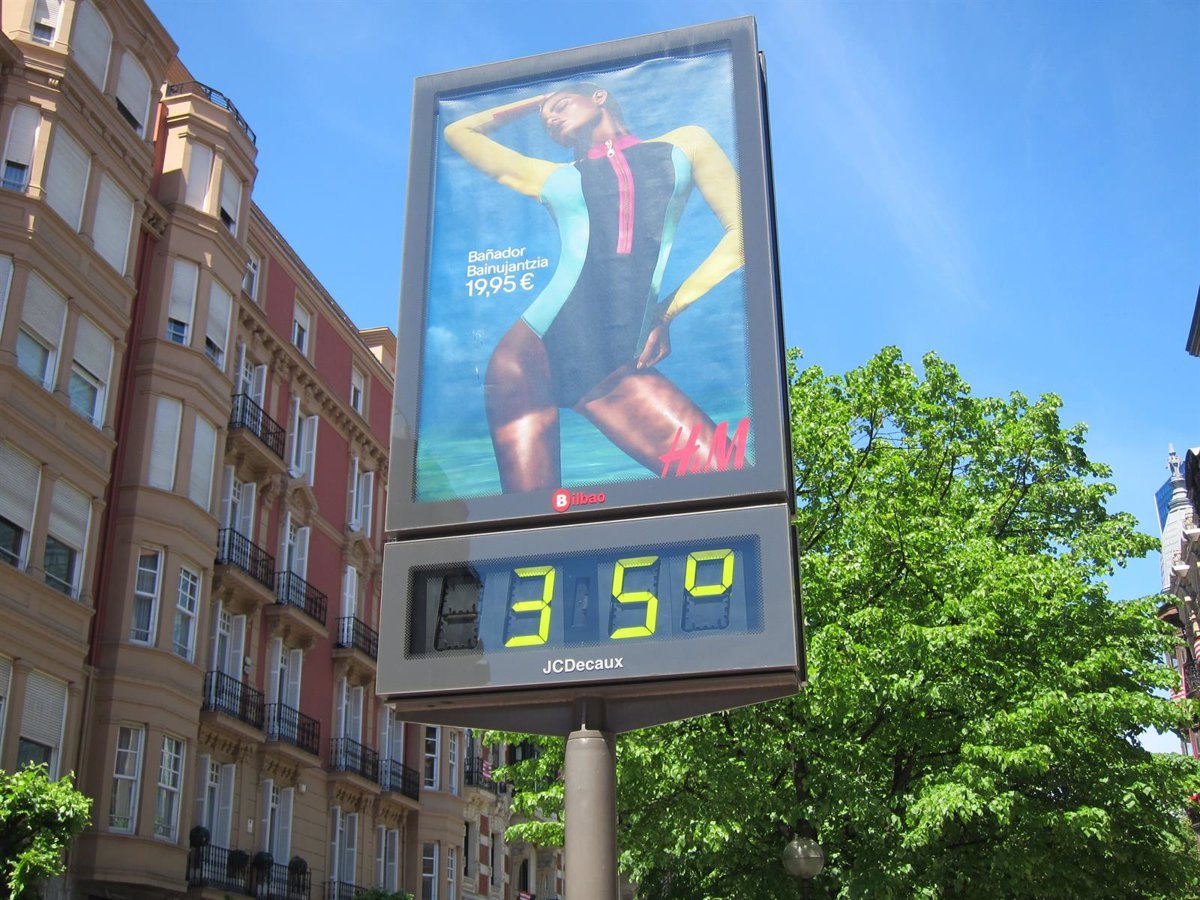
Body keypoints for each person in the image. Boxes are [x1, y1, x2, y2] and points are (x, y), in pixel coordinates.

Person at [444, 82, 745, 493]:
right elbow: (458, 132)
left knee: (731, 484)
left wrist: (667, 312)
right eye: (545, 118)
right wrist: (541, 99)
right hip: (526, 359)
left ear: (599, 95)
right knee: (530, 532)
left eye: (562, 105)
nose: (550, 117)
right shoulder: (553, 177)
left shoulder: (685, 144)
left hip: (611, 364)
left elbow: (743, 236)